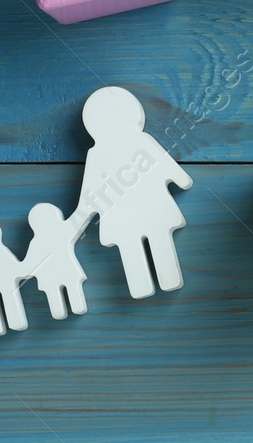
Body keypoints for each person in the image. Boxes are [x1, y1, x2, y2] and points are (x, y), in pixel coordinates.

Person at [75, 87, 193, 298]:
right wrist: (181, 181)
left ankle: (148, 285)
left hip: (129, 214)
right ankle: (153, 283)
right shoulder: (130, 144)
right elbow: (90, 190)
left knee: (144, 243)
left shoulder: (108, 150)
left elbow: (90, 194)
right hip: (142, 210)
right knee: (148, 241)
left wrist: (83, 214)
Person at [21, 202, 91, 319]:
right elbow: (79, 218)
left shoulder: (37, 242)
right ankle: (67, 308)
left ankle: (66, 309)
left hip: (53, 275)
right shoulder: (58, 231)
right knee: (64, 290)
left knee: (63, 291)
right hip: (59, 272)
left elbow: (29, 264)